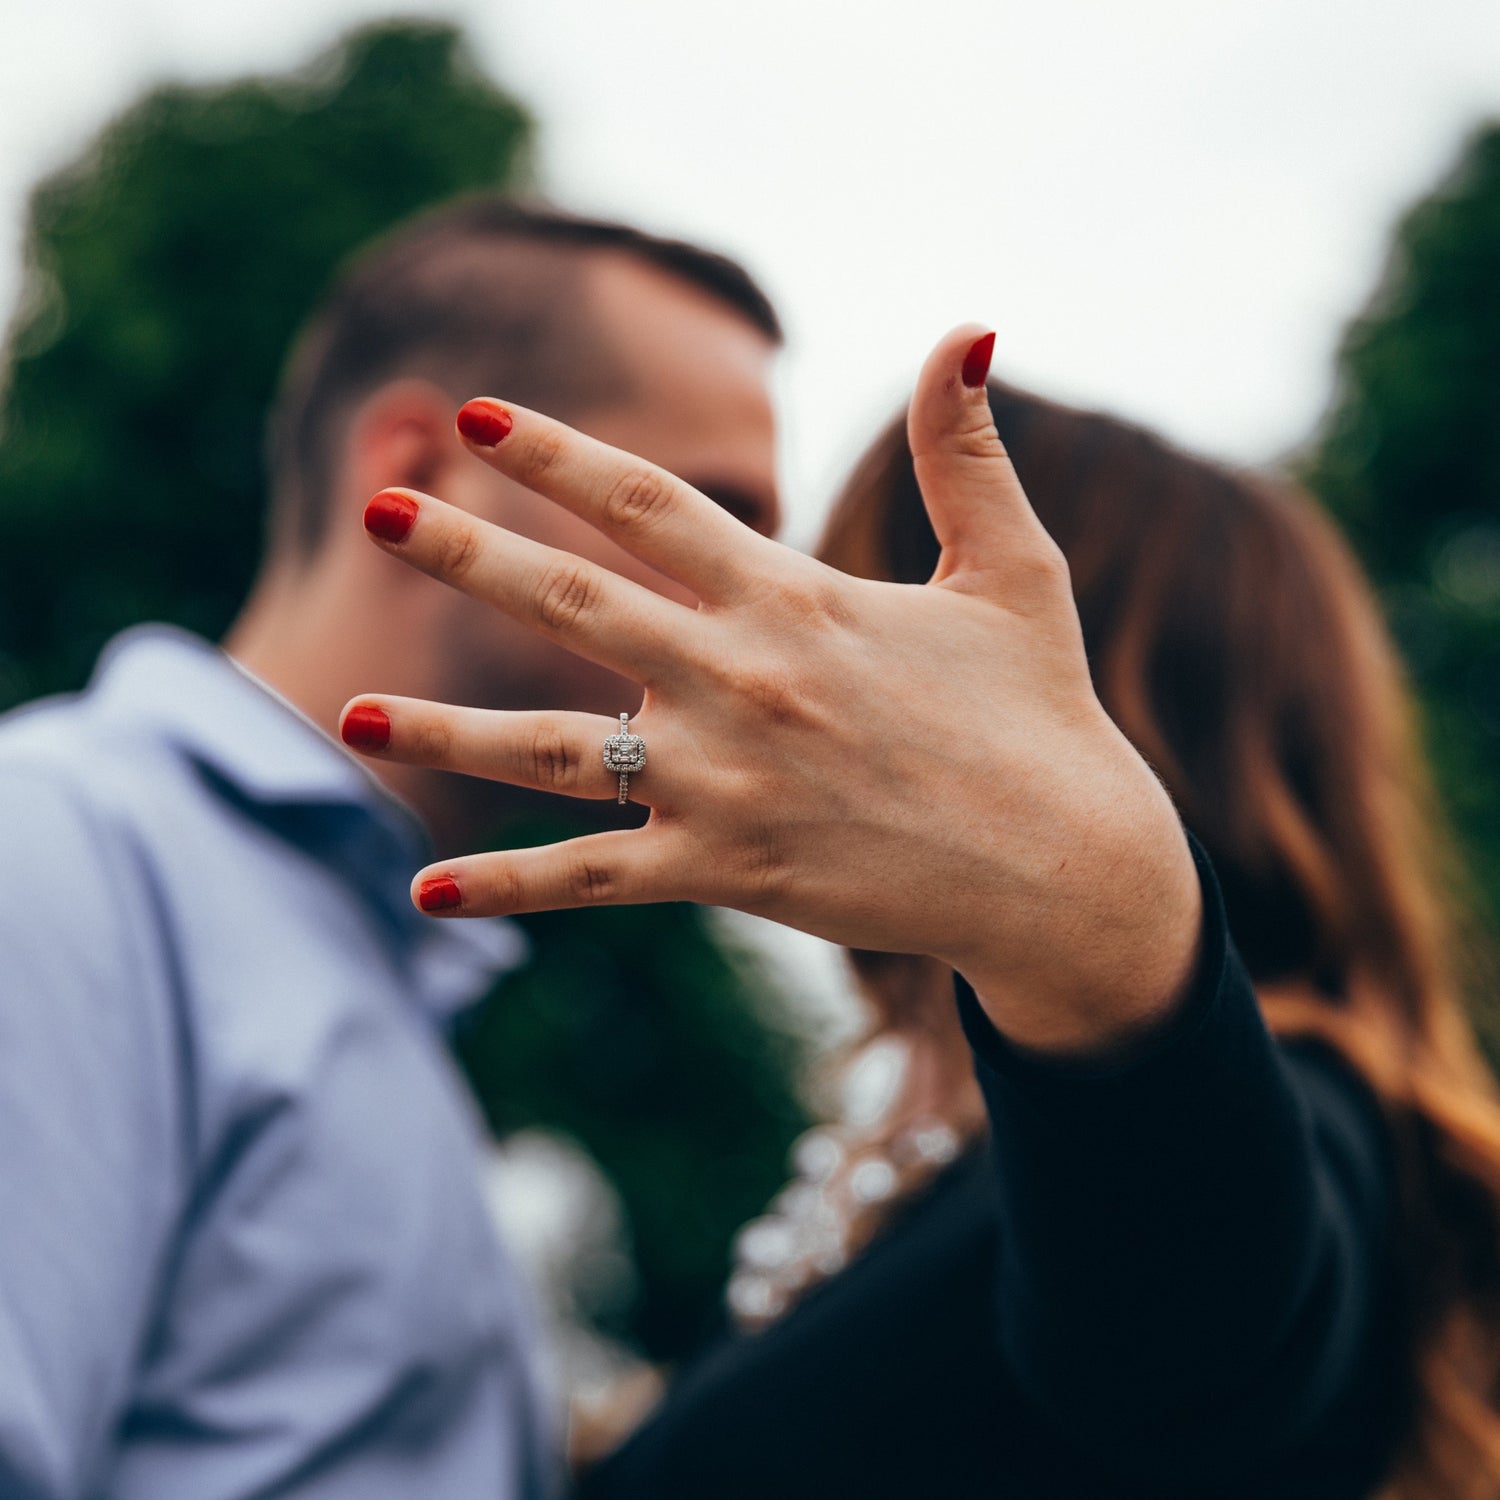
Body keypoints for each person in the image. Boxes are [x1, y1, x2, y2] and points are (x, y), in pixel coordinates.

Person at [343, 330, 1500, 1498]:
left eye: (845, 602)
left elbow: (1199, 1363)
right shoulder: (928, 1153)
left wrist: (1103, 920)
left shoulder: (1297, 1115)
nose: (769, 669)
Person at [0, 199, 782, 1500]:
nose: (757, 591)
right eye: (705, 509)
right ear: (423, 469)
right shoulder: (58, 849)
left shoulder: (369, 939)